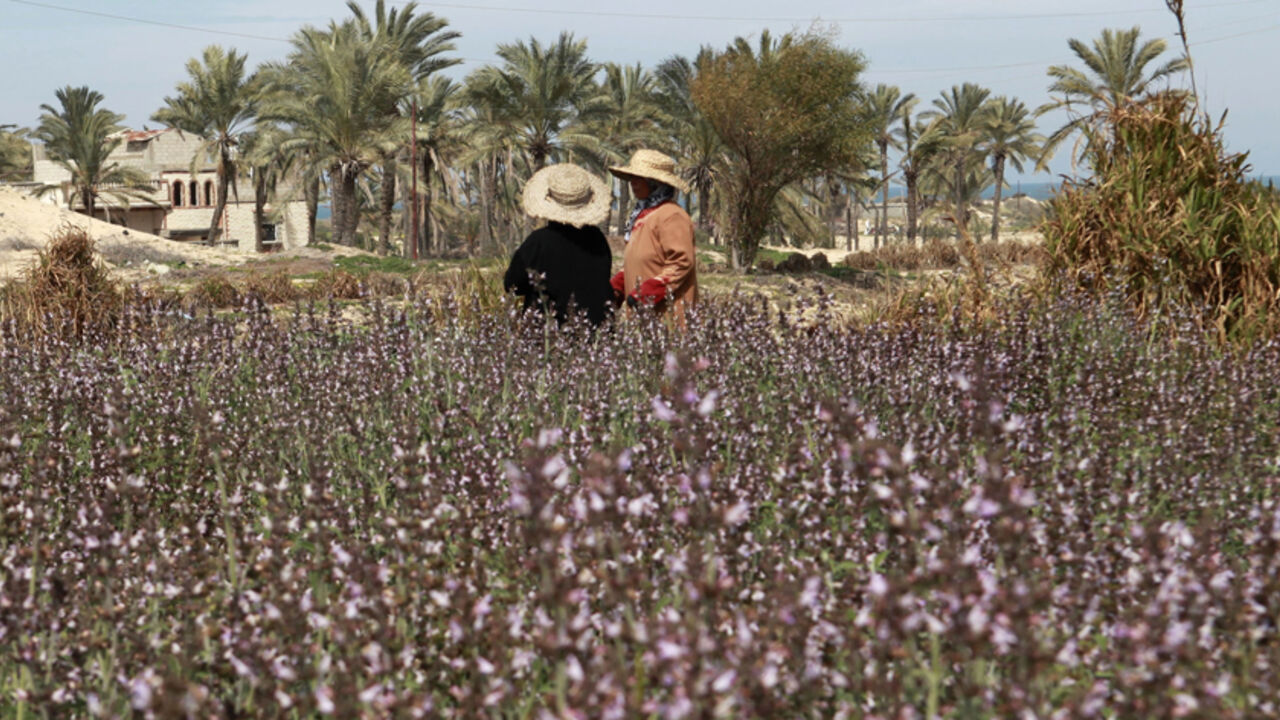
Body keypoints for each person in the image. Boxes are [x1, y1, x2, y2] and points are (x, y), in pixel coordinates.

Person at [503, 163, 614, 326]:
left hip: (548, 336)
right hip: (596, 334)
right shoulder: (597, 239)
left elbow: (513, 285)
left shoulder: (538, 242)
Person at [608, 149, 697, 321]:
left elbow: (681, 262)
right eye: (632, 178)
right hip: (642, 314)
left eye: (639, 178)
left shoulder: (671, 216)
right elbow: (638, 260)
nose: (633, 183)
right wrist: (616, 288)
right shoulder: (641, 215)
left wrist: (648, 292)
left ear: (655, 183)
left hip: (666, 315)